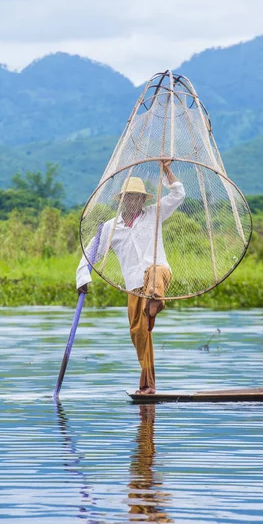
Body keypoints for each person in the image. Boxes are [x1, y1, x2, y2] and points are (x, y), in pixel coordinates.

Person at [76, 160, 185, 395]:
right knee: (138, 333)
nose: (133, 201)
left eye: (137, 197)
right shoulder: (110, 227)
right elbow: (90, 253)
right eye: (129, 197)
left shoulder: (153, 214)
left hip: (158, 274)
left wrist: (167, 171)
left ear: (143, 200)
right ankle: (148, 386)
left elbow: (178, 195)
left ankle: (156, 300)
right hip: (134, 286)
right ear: (122, 200)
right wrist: (83, 277)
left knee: (154, 273)